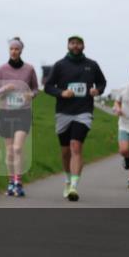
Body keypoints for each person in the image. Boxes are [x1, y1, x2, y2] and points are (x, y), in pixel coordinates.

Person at [44, 36, 107, 201]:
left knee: (76, 146)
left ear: (83, 46)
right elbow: (48, 87)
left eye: (78, 43)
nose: (76, 46)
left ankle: (73, 186)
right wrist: (61, 93)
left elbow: (102, 82)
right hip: (63, 112)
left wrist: (97, 91)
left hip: (84, 111)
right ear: (67, 45)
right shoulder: (60, 65)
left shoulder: (92, 65)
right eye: (72, 43)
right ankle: (67, 178)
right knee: (65, 152)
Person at [0, 37, 39, 197]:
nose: (14, 51)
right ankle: (11, 182)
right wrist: (6, 88)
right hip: (6, 112)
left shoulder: (29, 69)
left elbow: (35, 89)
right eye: (11, 48)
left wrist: (30, 95)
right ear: (9, 50)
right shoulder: (2, 69)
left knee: (17, 148)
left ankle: (19, 182)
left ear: (21, 51)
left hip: (23, 112)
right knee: (9, 151)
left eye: (16, 49)